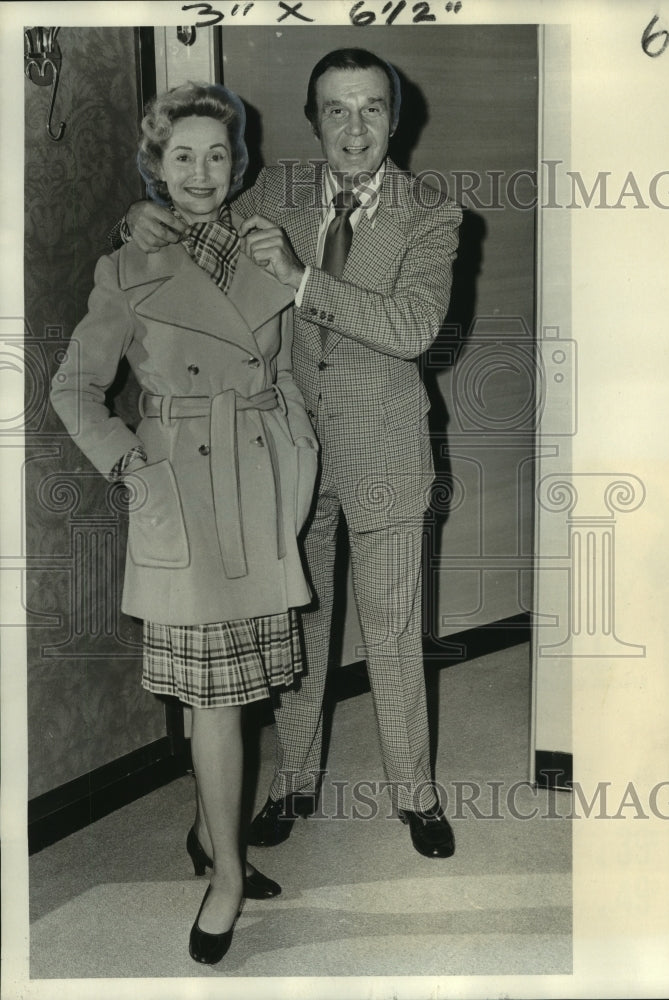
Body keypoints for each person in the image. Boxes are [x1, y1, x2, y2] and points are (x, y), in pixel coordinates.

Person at [121, 48, 462, 859]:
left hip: (385, 456)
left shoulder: (433, 215)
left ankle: (415, 794)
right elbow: (189, 214)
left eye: (370, 108)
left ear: (394, 117)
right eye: (335, 110)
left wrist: (305, 281)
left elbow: (414, 330)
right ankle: (294, 780)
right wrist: (136, 219)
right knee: (300, 632)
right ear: (314, 121)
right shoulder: (273, 192)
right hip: (288, 459)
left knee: (394, 631)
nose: (353, 128)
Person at [51, 82, 319, 965]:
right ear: (155, 169)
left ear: (237, 165)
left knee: (242, 693)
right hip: (185, 492)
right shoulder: (125, 267)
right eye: (181, 156)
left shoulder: (267, 242)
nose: (201, 172)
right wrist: (131, 466)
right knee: (215, 699)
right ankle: (229, 878)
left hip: (261, 480)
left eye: (217, 155)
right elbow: (72, 389)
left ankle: (214, 842)